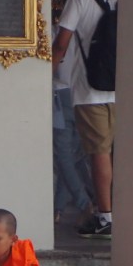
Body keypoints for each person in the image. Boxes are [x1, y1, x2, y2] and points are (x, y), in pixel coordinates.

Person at [51, 0, 118, 239]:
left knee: (99, 154)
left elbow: (61, 44)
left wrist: (44, 78)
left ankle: (105, 216)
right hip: (122, 87)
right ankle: (118, 210)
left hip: (91, 89)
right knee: (114, 152)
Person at [52, 19, 93, 225]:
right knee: (73, 155)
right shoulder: (85, 30)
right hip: (84, 94)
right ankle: (58, 207)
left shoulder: (57, 33)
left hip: (60, 94)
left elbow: (57, 59)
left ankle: (84, 202)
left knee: (64, 156)